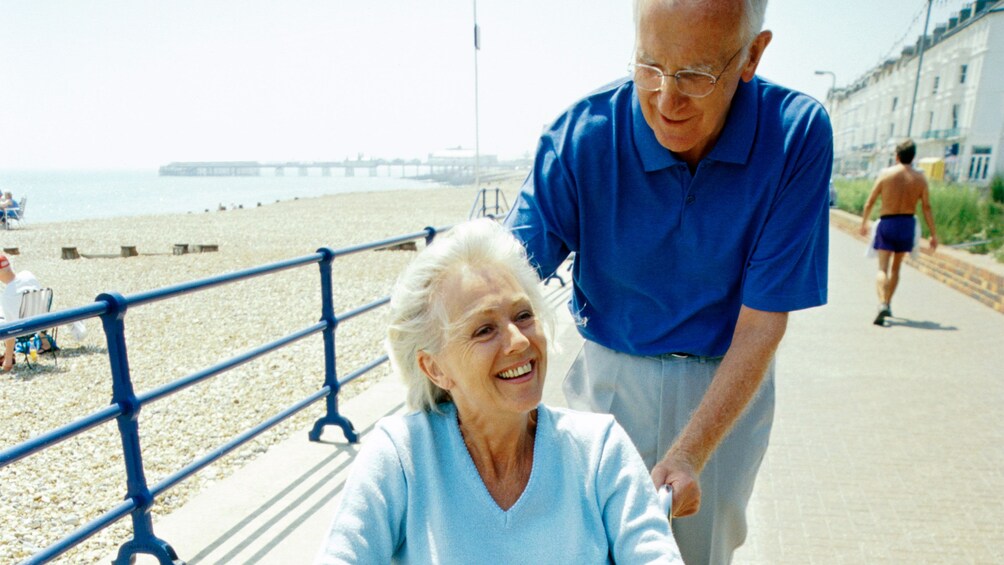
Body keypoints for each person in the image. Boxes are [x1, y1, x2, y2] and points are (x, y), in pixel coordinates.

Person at [504, 0, 832, 563]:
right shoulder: (581, 135)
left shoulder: (797, 133)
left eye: (696, 75)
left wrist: (690, 454)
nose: (665, 98)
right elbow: (501, 281)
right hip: (608, 382)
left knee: (700, 556)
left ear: (752, 54)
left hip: (723, 392)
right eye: (649, 65)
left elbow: (761, 328)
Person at [315, 219, 682, 564]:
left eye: (523, 315)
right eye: (484, 329)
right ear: (435, 368)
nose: (519, 341)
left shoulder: (598, 450)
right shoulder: (401, 457)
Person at [858, 138, 938, 325]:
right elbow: (927, 207)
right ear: (913, 157)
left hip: (888, 222)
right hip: (907, 223)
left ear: (896, 155)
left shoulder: (886, 174)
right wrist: (934, 234)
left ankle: (881, 304)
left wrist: (864, 223)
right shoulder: (920, 178)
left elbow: (870, 201)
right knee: (896, 268)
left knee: (882, 268)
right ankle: (887, 302)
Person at [0, 254, 42, 371]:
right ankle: (45, 342)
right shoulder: (27, 275)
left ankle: (6, 357)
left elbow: (10, 328)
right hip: (42, 321)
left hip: (25, 329)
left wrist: (8, 361)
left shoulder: (8, 294)